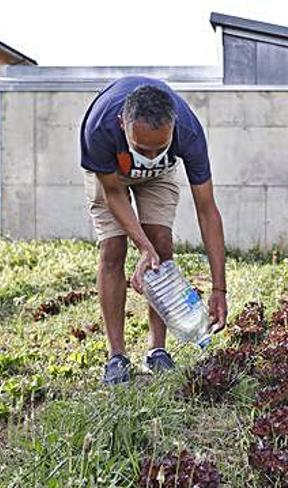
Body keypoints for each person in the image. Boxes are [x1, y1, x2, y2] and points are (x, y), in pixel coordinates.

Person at [79, 76, 228, 385]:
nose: (150, 156)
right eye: (142, 148)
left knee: (161, 244)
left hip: (161, 177)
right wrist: (141, 246)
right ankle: (116, 355)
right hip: (112, 176)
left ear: (173, 128)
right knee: (112, 249)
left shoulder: (188, 132)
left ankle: (157, 350)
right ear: (122, 124)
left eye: (158, 147)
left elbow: (207, 211)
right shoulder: (99, 128)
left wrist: (219, 289)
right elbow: (114, 195)